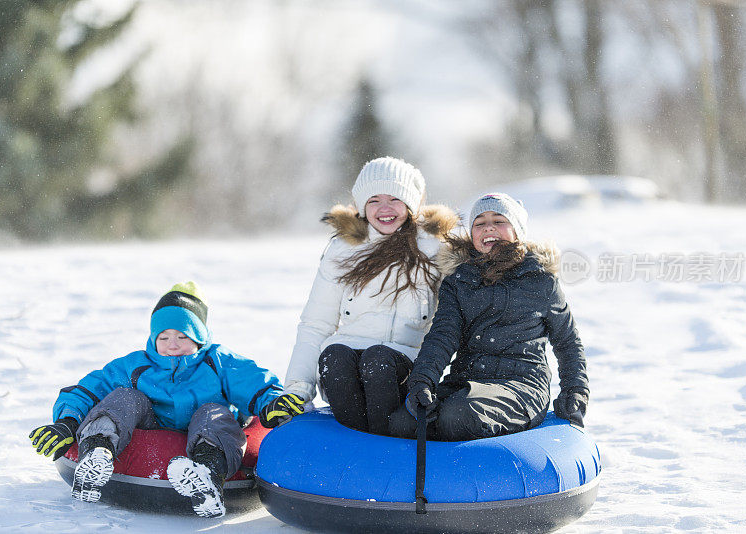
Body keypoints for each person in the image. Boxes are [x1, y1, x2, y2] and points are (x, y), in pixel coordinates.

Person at [29, 281, 298, 518]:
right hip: (151, 423)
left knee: (213, 411)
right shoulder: (136, 365)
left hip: (205, 431)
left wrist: (273, 402)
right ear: (152, 338)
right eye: (164, 336)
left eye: (183, 336)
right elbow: (88, 390)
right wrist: (66, 422)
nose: (172, 344)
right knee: (125, 397)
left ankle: (206, 475)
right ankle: (97, 453)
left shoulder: (218, 362)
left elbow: (255, 383)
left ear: (200, 337)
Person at [277, 157, 458, 435]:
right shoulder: (343, 250)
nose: (384, 209)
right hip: (347, 362)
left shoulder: (435, 249)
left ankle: (387, 451)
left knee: (379, 360)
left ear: (410, 204)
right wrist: (297, 389)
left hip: (404, 364)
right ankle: (355, 453)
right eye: (374, 200)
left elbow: (451, 321)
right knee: (334, 356)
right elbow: (316, 323)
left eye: (394, 198)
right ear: (362, 206)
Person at [389, 192, 589, 441]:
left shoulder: (540, 280)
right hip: (465, 381)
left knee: (457, 416)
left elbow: (568, 342)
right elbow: (442, 335)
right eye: (480, 223)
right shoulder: (459, 280)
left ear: (517, 230)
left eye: (499, 221)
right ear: (472, 235)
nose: (488, 228)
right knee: (403, 421)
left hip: (522, 386)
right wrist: (422, 381)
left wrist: (576, 391)